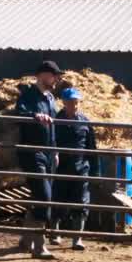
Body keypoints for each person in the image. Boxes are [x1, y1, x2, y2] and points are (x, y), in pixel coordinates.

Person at [12, 59, 62, 259]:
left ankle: (25, 240)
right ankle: (39, 246)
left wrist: (55, 151)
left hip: (48, 153)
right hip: (32, 153)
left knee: (39, 196)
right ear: (42, 75)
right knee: (44, 197)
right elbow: (19, 113)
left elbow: (53, 125)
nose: (57, 79)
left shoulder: (50, 98)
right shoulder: (28, 96)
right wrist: (35, 116)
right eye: (54, 75)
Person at [51, 87, 100, 251]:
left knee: (81, 202)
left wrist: (95, 171)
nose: (74, 105)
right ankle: (55, 233)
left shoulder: (85, 121)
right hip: (60, 168)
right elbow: (49, 142)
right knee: (58, 199)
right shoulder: (55, 121)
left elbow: (92, 148)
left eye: (76, 102)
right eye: (70, 102)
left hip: (81, 168)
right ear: (63, 103)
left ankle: (77, 238)